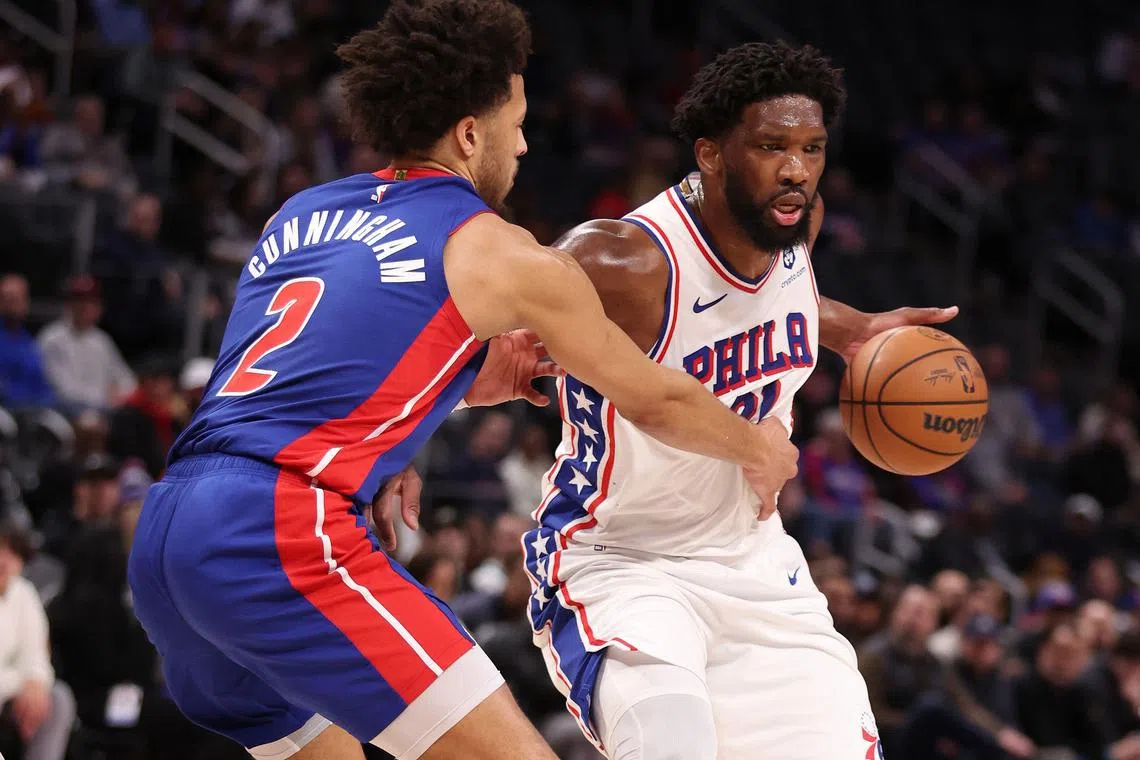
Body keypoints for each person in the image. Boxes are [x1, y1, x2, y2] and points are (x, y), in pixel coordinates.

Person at [126, 3, 798, 760]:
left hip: (169, 532)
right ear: (469, 133)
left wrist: (418, 425)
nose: (522, 140)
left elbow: (307, 370)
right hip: (279, 533)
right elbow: (653, 397)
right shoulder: (502, 253)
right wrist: (758, 445)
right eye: (513, 119)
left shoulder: (302, 211)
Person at [524, 41, 958, 759]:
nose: (796, 170)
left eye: (813, 148)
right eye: (770, 146)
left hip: (754, 565)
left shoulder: (794, 228)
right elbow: (458, 339)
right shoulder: (622, 261)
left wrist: (856, 333)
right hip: (620, 561)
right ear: (711, 154)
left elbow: (786, 305)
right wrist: (393, 456)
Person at [0, 523, 76, 760]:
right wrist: (20, 684)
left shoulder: (23, 593)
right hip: (8, 687)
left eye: (13, 554)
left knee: (58, 698)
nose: (5, 561)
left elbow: (36, 652)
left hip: (12, 693)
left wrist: (35, 684)